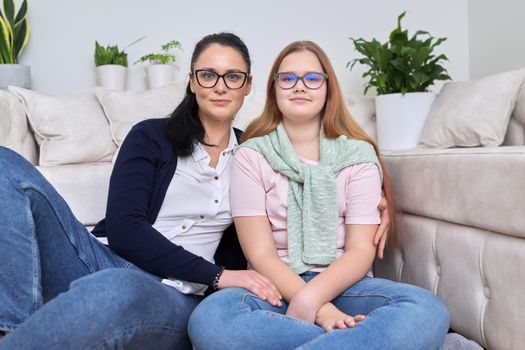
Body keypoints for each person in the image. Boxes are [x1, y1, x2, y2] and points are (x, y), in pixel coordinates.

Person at [0, 33, 389, 349]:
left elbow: (306, 190)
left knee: (116, 291)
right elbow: (124, 227)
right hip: (102, 260)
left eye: (233, 76)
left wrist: (379, 204)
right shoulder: (149, 136)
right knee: (4, 162)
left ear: (248, 86)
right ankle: (10, 330)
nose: (220, 86)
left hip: (175, 296)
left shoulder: (258, 154)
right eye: (208, 75)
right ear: (191, 80)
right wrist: (219, 275)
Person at [188, 40, 450, 350]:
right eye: (288, 78)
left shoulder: (358, 155)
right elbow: (260, 255)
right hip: (272, 288)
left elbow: (359, 251)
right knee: (209, 320)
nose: (300, 87)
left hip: (344, 285)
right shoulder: (251, 155)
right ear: (273, 88)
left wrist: (313, 297)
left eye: (312, 78)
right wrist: (320, 311)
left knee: (426, 310)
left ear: (328, 87)